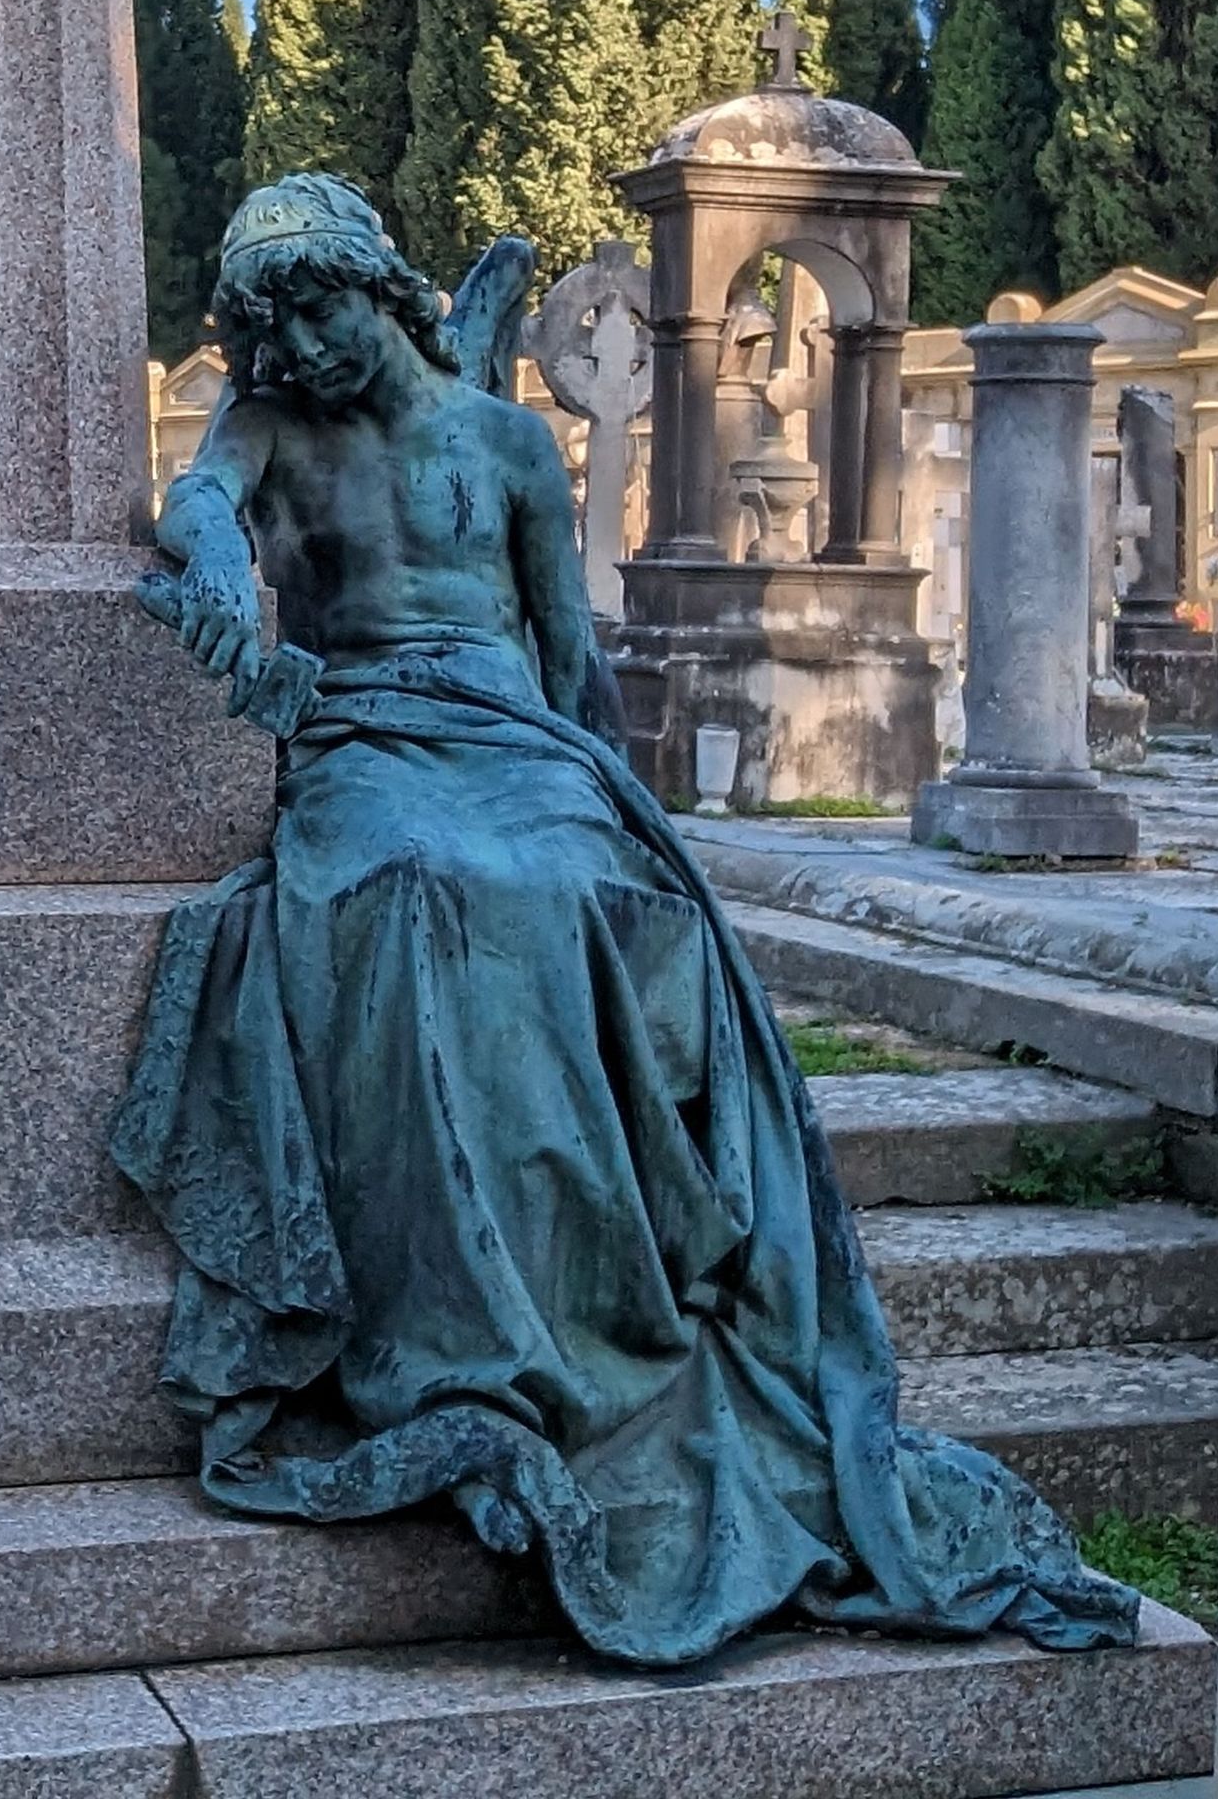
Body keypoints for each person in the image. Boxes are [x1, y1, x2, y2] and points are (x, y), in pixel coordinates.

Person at [114, 174, 1138, 1666]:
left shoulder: (510, 441)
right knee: (412, 889)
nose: (305, 349)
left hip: (511, 736)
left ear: (380, 289)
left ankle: (629, 1285)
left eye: (321, 311)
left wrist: (614, 791)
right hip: (362, 744)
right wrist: (209, 555)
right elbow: (202, 489)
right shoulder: (274, 426)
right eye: (274, 330)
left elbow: (562, 652)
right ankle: (490, 1331)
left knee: (585, 883)